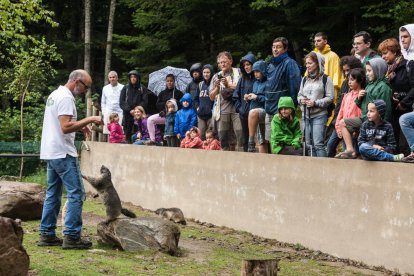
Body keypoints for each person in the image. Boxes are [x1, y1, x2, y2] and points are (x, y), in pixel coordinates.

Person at [38, 69, 102, 249]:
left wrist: (81, 126)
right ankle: (72, 236)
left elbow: (61, 124)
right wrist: (90, 118)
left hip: (51, 151)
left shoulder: (55, 94)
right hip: (63, 152)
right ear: (76, 81)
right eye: (86, 87)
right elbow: (65, 127)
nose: (85, 91)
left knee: (53, 193)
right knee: (77, 193)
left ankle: (47, 234)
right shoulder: (66, 98)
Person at [336, 58, 392, 158]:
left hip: (375, 122)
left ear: (378, 70)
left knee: (366, 150)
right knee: (342, 123)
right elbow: (362, 106)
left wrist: (382, 125)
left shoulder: (383, 87)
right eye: (366, 71)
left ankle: (356, 152)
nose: (367, 74)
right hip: (365, 118)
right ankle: (350, 149)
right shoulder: (369, 85)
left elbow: (385, 110)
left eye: (370, 71)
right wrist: (359, 98)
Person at [378, 37, 414, 155]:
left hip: (407, 110)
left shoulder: (408, 65)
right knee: (394, 147)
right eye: (381, 54)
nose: (383, 57)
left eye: (385, 53)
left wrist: (403, 103)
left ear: (394, 51)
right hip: (394, 112)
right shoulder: (387, 71)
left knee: (405, 147)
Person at [265, 37, 301, 148]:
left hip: (282, 110)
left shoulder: (290, 63)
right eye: (273, 47)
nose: (275, 49)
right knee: (271, 139)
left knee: (284, 140)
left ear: (285, 49)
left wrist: (292, 107)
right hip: (269, 108)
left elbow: (295, 87)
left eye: (279, 47)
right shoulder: (270, 65)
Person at [297, 51, 334, 157]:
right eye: (306, 63)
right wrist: (301, 100)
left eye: (310, 63)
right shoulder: (304, 79)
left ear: (317, 63)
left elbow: (330, 98)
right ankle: (311, 170)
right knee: (308, 144)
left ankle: (323, 169)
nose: (307, 66)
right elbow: (299, 94)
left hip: (319, 115)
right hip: (305, 116)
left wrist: (315, 103)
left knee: (318, 144)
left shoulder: (326, 79)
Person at [327, 56, 363, 157]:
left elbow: (361, 111)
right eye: (344, 71)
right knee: (330, 145)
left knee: (350, 151)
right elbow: (339, 107)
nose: (346, 73)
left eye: (348, 70)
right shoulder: (344, 84)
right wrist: (337, 126)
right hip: (340, 122)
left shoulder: (362, 91)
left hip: (353, 125)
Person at [209, 51, 243, 151]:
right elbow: (211, 97)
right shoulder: (216, 76)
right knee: (223, 137)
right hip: (222, 110)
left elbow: (244, 88)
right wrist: (217, 87)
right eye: (220, 63)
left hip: (237, 108)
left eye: (224, 61)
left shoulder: (239, 72)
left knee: (240, 135)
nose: (222, 64)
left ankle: (242, 156)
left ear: (231, 61)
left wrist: (228, 85)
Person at [313, 32, 343, 126]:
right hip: (315, 89)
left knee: (328, 114)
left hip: (328, 90)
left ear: (325, 41)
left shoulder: (333, 56)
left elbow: (337, 75)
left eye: (319, 40)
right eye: (315, 41)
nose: (316, 43)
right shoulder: (313, 55)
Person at [147, 74, 183, 145]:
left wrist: (176, 102)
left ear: (174, 82)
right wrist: (167, 102)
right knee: (150, 119)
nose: (169, 82)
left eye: (171, 81)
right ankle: (152, 140)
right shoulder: (162, 93)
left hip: (175, 117)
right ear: (166, 82)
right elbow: (158, 105)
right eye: (168, 81)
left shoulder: (179, 93)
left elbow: (182, 106)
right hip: (164, 115)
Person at [233, 53, 256, 151]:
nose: (246, 67)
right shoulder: (242, 79)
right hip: (244, 114)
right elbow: (235, 96)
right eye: (244, 65)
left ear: (253, 64)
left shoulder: (258, 77)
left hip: (256, 113)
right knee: (245, 140)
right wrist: (240, 109)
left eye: (248, 64)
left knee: (259, 139)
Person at [119, 70, 149, 143]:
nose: (133, 78)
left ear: (138, 78)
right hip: (127, 115)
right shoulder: (125, 88)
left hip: (139, 115)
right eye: (131, 77)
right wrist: (129, 110)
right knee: (127, 135)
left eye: (134, 77)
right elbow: (121, 102)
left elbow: (145, 101)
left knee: (139, 134)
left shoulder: (142, 88)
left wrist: (136, 110)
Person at [246, 60, 267, 153]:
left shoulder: (269, 82)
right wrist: (248, 97)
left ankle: (251, 141)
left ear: (263, 71)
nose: (255, 74)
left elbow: (269, 99)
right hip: (255, 116)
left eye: (258, 71)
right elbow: (254, 97)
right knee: (261, 141)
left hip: (265, 112)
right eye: (254, 72)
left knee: (253, 112)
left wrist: (257, 97)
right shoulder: (255, 83)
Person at [101, 71, 124, 140]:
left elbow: (125, 100)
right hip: (108, 111)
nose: (112, 79)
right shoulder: (105, 88)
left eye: (113, 77)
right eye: (110, 77)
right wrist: (104, 112)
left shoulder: (123, 87)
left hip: (119, 112)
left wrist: (123, 111)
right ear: (108, 78)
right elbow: (103, 102)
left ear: (117, 78)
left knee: (119, 131)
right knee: (109, 132)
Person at [195, 64, 214, 140]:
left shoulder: (214, 84)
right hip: (201, 115)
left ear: (211, 73)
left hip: (211, 115)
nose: (206, 74)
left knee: (211, 136)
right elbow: (195, 98)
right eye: (204, 72)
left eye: (208, 72)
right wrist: (197, 107)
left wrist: (212, 109)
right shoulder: (200, 84)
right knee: (202, 135)